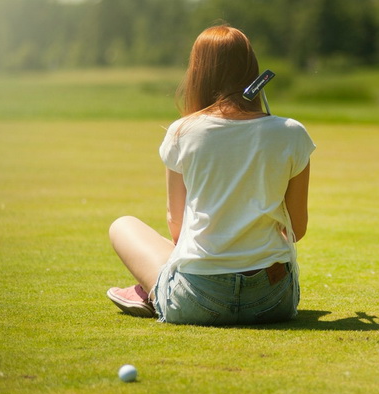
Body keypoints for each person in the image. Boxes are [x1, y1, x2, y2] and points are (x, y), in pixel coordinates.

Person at [106, 24, 315, 326]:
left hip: (197, 298)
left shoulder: (183, 131)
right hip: (272, 301)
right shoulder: (293, 133)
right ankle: (159, 288)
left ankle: (157, 291)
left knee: (122, 225)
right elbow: (296, 229)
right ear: (252, 70)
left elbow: (176, 229)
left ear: (198, 72)